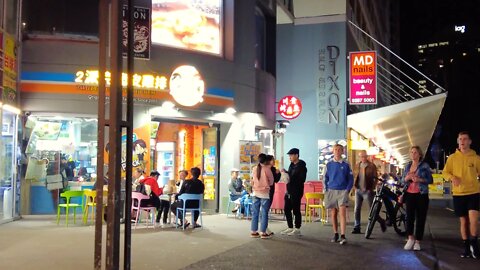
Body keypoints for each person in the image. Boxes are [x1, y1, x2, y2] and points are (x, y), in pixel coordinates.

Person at [442, 131, 480, 258]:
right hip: (458, 194)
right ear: (458, 141)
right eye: (460, 139)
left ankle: (474, 243)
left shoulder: (476, 158)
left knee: (474, 220)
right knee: (464, 221)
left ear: (470, 141)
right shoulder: (452, 158)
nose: (462, 141)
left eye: (465, 139)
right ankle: (466, 247)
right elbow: (445, 172)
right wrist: (452, 177)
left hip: (474, 192)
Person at [400, 146, 433, 251]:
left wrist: (420, 179)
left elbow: (430, 180)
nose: (413, 154)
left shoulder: (425, 166)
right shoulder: (407, 166)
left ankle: (418, 241)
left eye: (415, 152)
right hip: (409, 194)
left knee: (420, 218)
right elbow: (402, 181)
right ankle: (410, 237)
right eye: (411, 152)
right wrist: (407, 178)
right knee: (409, 217)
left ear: (419, 154)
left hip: (421, 194)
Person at [324, 144, 353, 245]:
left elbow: (350, 179)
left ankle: (343, 235)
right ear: (333, 151)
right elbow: (325, 178)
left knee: (342, 213)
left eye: (339, 150)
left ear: (342, 151)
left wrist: (348, 190)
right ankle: (335, 233)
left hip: (343, 191)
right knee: (333, 213)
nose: (337, 151)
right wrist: (326, 190)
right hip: (331, 190)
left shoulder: (346, 164)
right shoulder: (328, 164)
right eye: (335, 149)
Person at [280, 148, 307, 236]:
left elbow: (302, 179)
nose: (290, 157)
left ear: (296, 155)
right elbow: (290, 175)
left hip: (297, 191)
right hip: (289, 191)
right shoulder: (291, 165)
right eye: (289, 156)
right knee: (287, 209)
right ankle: (290, 227)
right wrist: (286, 172)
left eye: (291, 155)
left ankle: (297, 228)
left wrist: (290, 177)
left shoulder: (302, 166)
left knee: (296, 210)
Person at [352, 150, 380, 234]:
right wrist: (354, 187)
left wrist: (372, 188)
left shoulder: (371, 166)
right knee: (356, 209)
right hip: (358, 190)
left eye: (364, 156)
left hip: (368, 190)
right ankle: (357, 227)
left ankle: (380, 221)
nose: (363, 158)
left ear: (367, 156)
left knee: (372, 209)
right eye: (361, 156)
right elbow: (354, 176)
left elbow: (375, 178)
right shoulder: (357, 166)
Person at [250, 153, 274, 239]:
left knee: (255, 213)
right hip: (264, 194)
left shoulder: (254, 168)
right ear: (266, 161)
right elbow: (271, 182)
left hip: (255, 193)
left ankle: (253, 231)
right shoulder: (267, 169)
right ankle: (263, 232)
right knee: (264, 213)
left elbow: (252, 180)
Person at [266, 155, 281, 234]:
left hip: (269, 191)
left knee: (266, 210)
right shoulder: (266, 169)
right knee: (265, 210)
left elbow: (276, 180)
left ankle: (264, 228)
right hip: (266, 191)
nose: (274, 162)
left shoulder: (273, 169)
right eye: (273, 160)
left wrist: (278, 173)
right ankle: (264, 228)